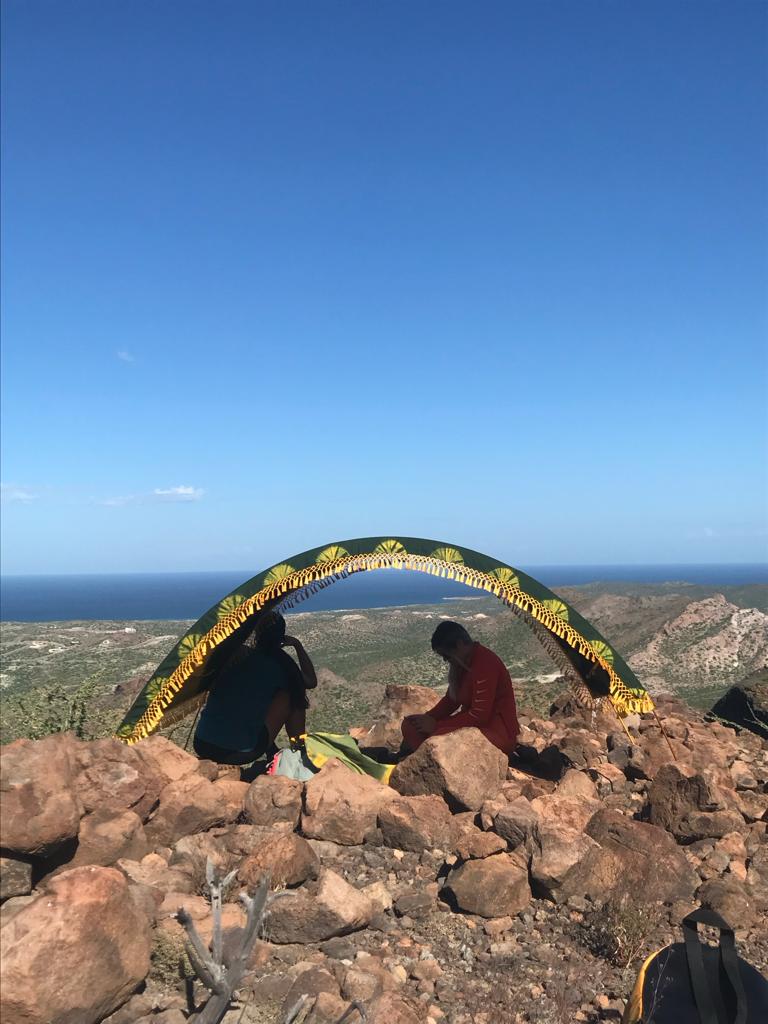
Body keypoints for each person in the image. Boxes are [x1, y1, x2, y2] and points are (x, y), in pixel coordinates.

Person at [193, 612, 317, 765]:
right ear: (282, 636)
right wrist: (297, 645)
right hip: (239, 752)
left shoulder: (233, 657)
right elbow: (311, 681)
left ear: (256, 633)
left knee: (249, 699)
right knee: (292, 696)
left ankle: (275, 749)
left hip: (202, 743)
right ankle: (299, 751)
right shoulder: (283, 666)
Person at [401, 621, 519, 756]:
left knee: (439, 738)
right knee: (410, 726)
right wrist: (427, 718)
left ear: (459, 645)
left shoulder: (485, 663)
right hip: (471, 726)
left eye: (447, 655)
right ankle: (425, 759)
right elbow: (451, 701)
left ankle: (429, 763)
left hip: (496, 732)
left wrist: (436, 726)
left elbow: (479, 716)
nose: (446, 660)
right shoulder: (462, 665)